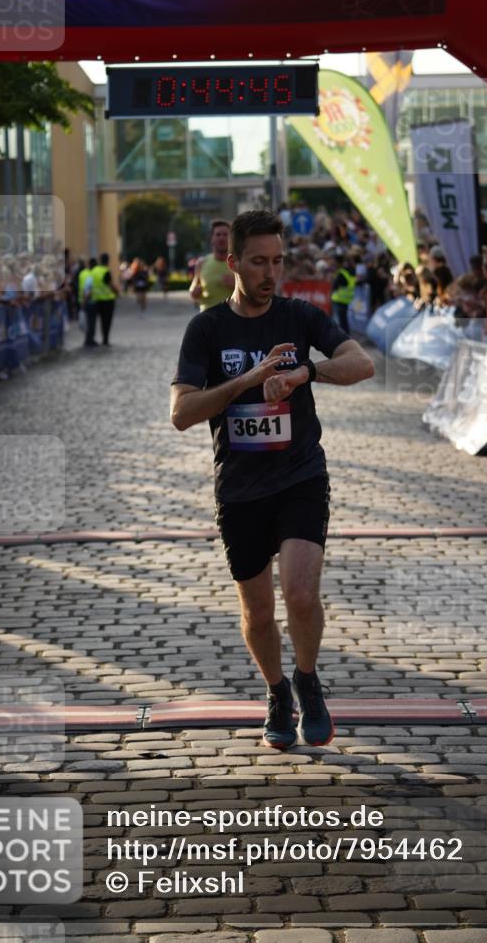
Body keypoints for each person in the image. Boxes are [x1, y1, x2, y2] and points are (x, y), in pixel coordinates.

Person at [170, 210, 374, 750]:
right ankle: (277, 691)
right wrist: (248, 381)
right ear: (233, 263)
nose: (270, 272)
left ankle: (307, 681)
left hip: (300, 474)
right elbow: (181, 413)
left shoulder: (299, 317)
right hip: (239, 487)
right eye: (258, 262)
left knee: (301, 594)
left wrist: (308, 371)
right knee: (258, 612)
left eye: (278, 261)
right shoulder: (207, 329)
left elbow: (362, 364)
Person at [189, 219, 235, 311]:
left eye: (225, 235)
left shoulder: (238, 262)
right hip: (207, 316)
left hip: (232, 316)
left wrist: (236, 285)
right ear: (212, 239)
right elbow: (193, 291)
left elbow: (251, 292)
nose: (221, 238)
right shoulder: (201, 263)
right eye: (218, 235)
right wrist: (194, 293)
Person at [90, 253, 119, 346]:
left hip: (97, 300)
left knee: (100, 320)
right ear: (108, 261)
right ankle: (105, 339)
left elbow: (90, 284)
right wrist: (117, 292)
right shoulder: (106, 271)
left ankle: (95, 338)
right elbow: (111, 285)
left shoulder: (94, 271)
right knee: (107, 321)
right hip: (108, 300)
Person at [330, 252, 356, 333]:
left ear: (337, 262)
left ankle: (340, 338)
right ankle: (346, 336)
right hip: (346, 300)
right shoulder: (349, 271)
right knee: (343, 321)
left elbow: (334, 286)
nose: (332, 263)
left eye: (334, 261)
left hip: (339, 299)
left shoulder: (341, 273)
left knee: (339, 322)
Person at [78, 257, 97, 347]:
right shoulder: (91, 275)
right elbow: (88, 290)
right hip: (90, 301)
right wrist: (84, 301)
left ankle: (88, 339)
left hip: (82, 300)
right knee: (91, 322)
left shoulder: (83, 273)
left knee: (87, 321)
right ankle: (90, 340)